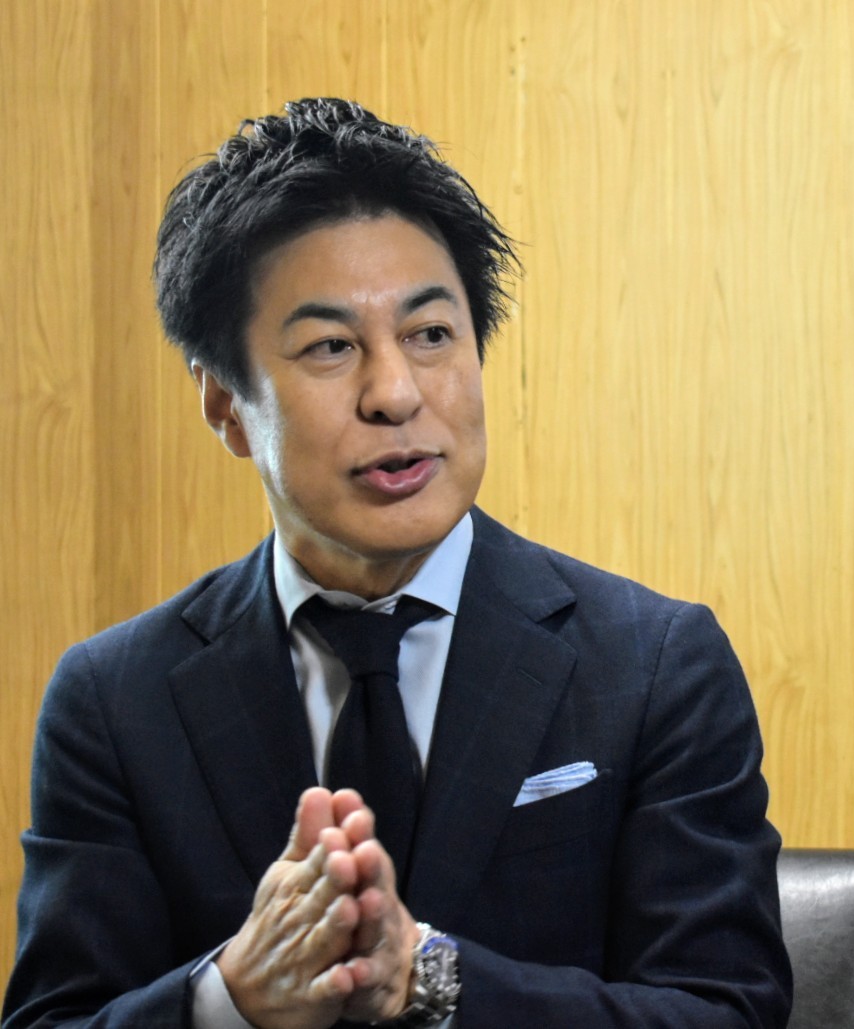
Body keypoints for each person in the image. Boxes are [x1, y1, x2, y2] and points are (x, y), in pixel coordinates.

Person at [3, 98, 791, 1029]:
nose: (395, 392)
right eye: (331, 347)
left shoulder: (654, 665)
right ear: (225, 404)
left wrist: (428, 977)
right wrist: (229, 998)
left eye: (430, 334)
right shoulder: (114, 701)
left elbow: (725, 1010)